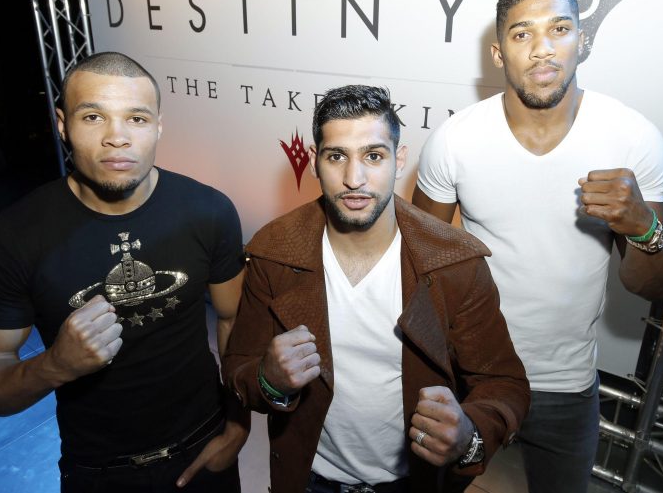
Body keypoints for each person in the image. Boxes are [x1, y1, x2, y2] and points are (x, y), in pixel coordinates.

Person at [412, 0, 663, 493]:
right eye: (522, 34)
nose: (542, 49)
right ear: (499, 54)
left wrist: (642, 227)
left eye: (559, 28)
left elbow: (654, 283)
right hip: (469, 370)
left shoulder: (630, 137)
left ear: (582, 41)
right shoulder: (456, 140)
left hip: (565, 383)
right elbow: (419, 264)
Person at [0, 52, 248, 492]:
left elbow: (233, 321)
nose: (117, 138)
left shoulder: (209, 212)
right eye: (93, 116)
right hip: (100, 472)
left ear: (158, 126)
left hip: (207, 447)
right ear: (62, 124)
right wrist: (54, 366)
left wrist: (237, 428)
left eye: (136, 118)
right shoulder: (15, 236)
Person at [223, 85, 530, 493]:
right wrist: (269, 379)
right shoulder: (273, 254)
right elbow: (238, 367)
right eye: (337, 156)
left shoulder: (456, 264)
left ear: (399, 160)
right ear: (315, 163)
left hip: (413, 483)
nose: (355, 179)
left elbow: (504, 385)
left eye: (373, 156)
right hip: (310, 481)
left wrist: (468, 435)